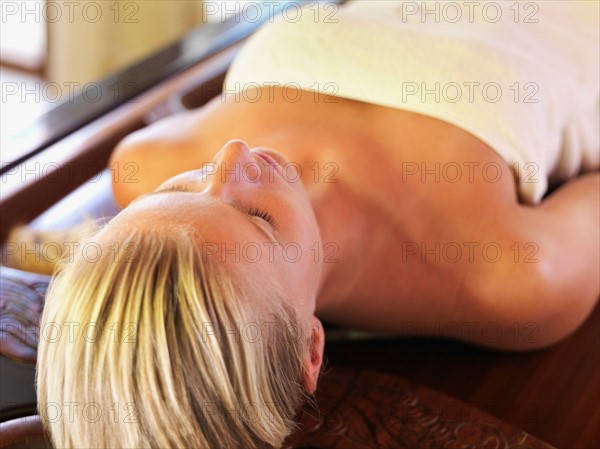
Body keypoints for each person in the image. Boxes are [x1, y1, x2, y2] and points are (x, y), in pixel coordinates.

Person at [36, 1, 599, 448]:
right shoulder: (510, 278)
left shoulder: (146, 165)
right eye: (256, 219)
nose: (234, 156)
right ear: (311, 350)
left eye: (181, 189)